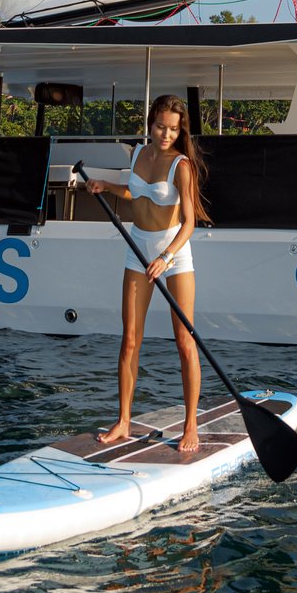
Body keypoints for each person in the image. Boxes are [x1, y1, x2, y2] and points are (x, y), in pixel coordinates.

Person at [83, 93, 209, 454]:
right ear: (150, 123)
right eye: (159, 127)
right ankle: (123, 420)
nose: (165, 134)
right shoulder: (139, 153)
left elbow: (189, 222)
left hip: (174, 253)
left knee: (185, 342)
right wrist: (106, 186)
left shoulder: (181, 165)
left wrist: (167, 257)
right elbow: (137, 194)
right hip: (138, 248)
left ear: (179, 129)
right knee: (130, 339)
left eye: (172, 129)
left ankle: (190, 425)